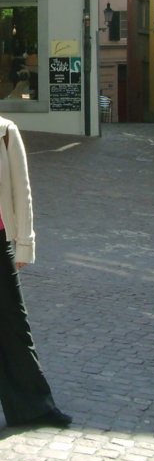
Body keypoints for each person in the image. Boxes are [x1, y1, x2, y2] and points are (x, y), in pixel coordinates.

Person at [0, 115, 71, 428]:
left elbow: (22, 189)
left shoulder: (5, 131)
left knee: (14, 325)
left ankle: (34, 407)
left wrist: (24, 244)